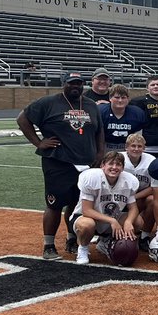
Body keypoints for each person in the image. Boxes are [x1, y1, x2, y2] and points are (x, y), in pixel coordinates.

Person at [17, 72, 104, 259]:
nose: (76, 86)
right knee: (54, 204)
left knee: (77, 203)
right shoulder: (48, 102)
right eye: (72, 83)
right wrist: (38, 142)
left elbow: (99, 131)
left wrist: (99, 153)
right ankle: (48, 246)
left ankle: (72, 240)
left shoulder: (90, 104)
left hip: (86, 163)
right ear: (64, 84)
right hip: (58, 161)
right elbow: (22, 119)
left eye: (79, 84)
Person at [72, 151, 139, 264]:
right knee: (87, 225)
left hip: (110, 219)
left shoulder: (129, 181)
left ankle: (106, 241)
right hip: (87, 217)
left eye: (118, 164)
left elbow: (134, 208)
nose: (114, 167)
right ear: (102, 165)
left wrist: (129, 222)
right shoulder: (92, 178)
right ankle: (83, 248)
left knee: (137, 222)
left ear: (122, 168)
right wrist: (111, 220)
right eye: (111, 164)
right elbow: (86, 210)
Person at [123, 133, 158, 242]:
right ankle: (105, 235)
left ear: (144, 148)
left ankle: (145, 235)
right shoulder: (118, 158)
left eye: (139, 146)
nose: (136, 149)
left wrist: (134, 197)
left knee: (153, 200)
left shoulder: (151, 161)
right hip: (118, 199)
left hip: (139, 198)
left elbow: (154, 187)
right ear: (126, 147)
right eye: (133, 146)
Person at [131, 75, 158, 157]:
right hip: (146, 146)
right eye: (152, 85)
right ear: (147, 88)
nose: (155, 86)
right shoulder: (138, 102)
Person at [100, 85, 147, 151]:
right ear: (110, 98)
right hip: (104, 146)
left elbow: (138, 138)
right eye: (117, 97)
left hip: (128, 148)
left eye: (123, 97)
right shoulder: (101, 112)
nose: (120, 100)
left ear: (128, 99)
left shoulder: (137, 113)